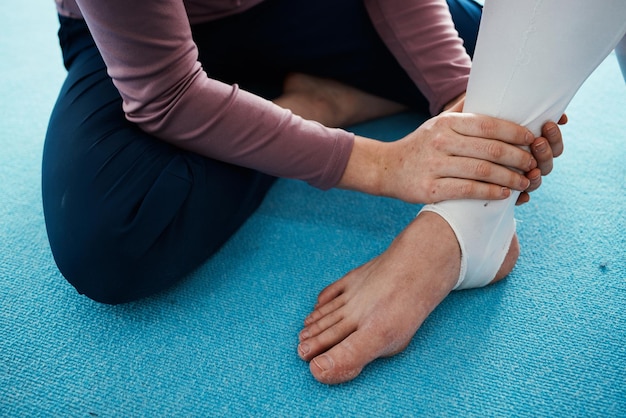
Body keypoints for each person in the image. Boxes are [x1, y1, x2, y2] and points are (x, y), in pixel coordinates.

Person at [44, 0, 564, 384]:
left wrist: (458, 101)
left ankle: (459, 233)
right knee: (112, 234)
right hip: (146, 51)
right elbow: (168, 96)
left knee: (509, 53)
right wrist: (384, 164)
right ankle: (312, 109)